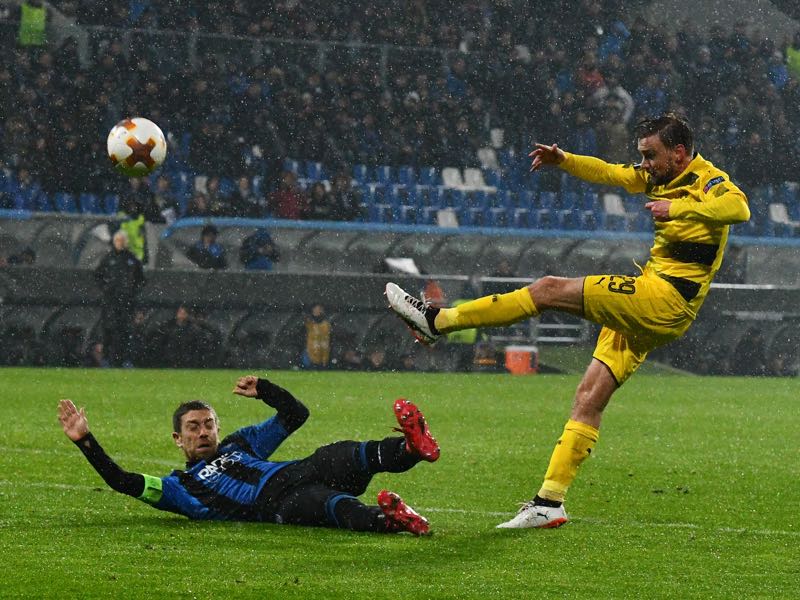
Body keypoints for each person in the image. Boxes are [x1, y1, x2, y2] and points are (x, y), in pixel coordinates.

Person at [385, 113, 750, 529]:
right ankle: (549, 502)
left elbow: (739, 208)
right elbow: (611, 173)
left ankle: (438, 321)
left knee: (548, 289)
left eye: (651, 155)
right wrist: (565, 160)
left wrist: (681, 207)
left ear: (680, 152)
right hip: (657, 303)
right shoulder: (658, 176)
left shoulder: (709, 180)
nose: (645, 164)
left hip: (663, 299)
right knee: (589, 396)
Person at [57, 375, 439, 535]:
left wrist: (267, 389)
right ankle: (392, 520)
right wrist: (85, 440)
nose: (203, 431)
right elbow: (122, 481)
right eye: (193, 427)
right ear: (178, 438)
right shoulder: (180, 487)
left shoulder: (242, 443)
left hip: (296, 470)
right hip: (275, 503)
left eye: (208, 424)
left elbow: (296, 415)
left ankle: (412, 448)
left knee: (339, 453)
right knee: (326, 504)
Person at [94, 230, 145, 367]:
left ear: (126, 242)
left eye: (122, 241)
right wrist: (106, 289)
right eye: (118, 241)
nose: (120, 243)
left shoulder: (132, 259)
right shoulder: (108, 258)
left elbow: (141, 280)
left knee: (126, 331)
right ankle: (106, 360)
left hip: (127, 302)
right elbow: (97, 276)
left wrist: (132, 291)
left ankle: (125, 360)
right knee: (108, 330)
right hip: (110, 301)